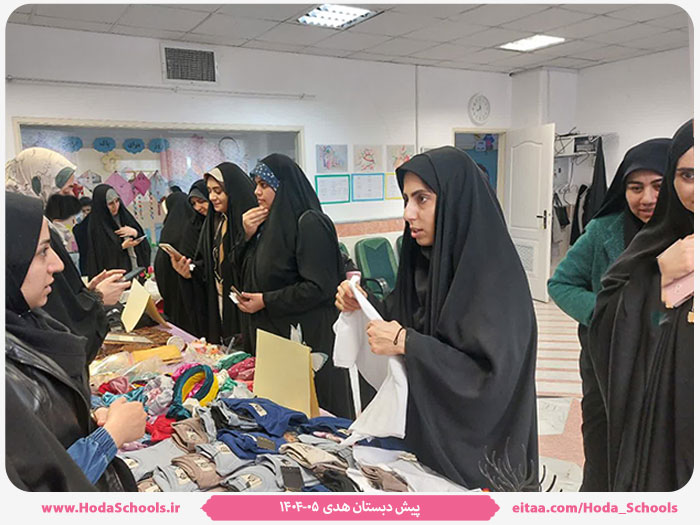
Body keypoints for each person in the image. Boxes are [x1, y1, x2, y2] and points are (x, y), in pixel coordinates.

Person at [335, 147, 539, 490]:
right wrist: (362, 303)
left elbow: (490, 380)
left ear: (456, 201)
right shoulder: (424, 264)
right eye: (406, 200)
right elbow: (399, 318)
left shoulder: (495, 278)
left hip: (484, 460)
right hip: (428, 454)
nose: (408, 213)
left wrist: (408, 343)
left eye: (422, 199)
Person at [547, 137, 671, 491]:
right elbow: (560, 284)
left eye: (658, 186)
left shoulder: (687, 234)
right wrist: (610, 315)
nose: (646, 198)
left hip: (666, 369)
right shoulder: (605, 230)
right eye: (635, 187)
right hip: (606, 364)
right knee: (602, 457)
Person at [6, 192, 146, 491]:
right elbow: (36, 492)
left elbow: (46, 436)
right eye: (43, 251)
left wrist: (84, 419)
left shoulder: (30, 326)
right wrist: (110, 437)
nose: (57, 264)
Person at [589, 119, 693, 491]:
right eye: (687, 175)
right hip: (662, 417)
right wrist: (659, 277)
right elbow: (609, 316)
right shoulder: (658, 243)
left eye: (655, 186)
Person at [236, 154, 353, 419]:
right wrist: (247, 237)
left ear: (283, 186)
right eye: (256, 185)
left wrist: (266, 300)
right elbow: (247, 271)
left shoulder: (309, 223)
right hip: (279, 337)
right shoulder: (268, 226)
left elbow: (319, 288)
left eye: (264, 185)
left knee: (317, 413)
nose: (256, 192)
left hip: (308, 339)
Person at [6, 148, 129, 362]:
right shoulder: (29, 232)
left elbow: (59, 299)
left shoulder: (42, 227)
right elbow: (57, 320)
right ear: (40, 186)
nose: (72, 197)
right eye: (66, 190)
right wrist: (97, 299)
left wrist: (85, 293)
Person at [171, 163, 257, 345]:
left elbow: (250, 264)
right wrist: (190, 270)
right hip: (219, 299)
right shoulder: (214, 221)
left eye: (218, 191)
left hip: (246, 304)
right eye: (209, 191)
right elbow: (208, 262)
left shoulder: (250, 220)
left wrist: (245, 236)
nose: (212, 197)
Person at [154, 181, 208, 336]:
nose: (197, 207)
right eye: (194, 203)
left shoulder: (169, 230)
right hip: (193, 295)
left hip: (175, 295)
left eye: (201, 201)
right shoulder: (195, 228)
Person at [86, 184, 151, 279]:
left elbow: (144, 245)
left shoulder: (125, 217)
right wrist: (122, 247)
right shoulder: (96, 227)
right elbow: (99, 257)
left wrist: (135, 233)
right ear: (102, 205)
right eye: (110, 203)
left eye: (117, 201)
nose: (115, 206)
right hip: (115, 278)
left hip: (135, 269)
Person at [73, 196, 93, 275]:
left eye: (88, 210)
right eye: (83, 211)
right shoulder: (78, 228)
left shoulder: (97, 226)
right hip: (85, 263)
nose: (86, 213)